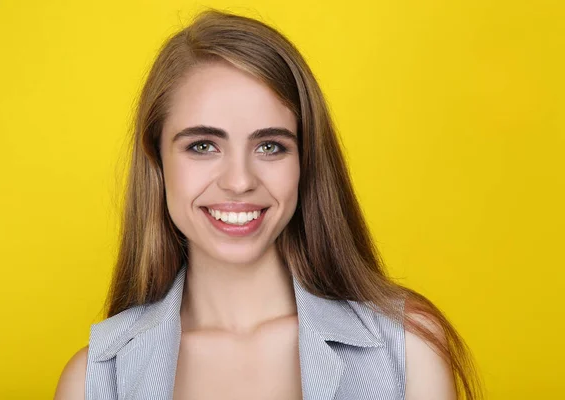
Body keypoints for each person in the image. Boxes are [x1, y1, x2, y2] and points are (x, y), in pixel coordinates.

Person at [54, 9, 483, 400]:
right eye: (203, 145)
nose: (239, 181)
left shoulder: (406, 349)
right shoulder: (96, 379)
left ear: (305, 160)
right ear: (158, 162)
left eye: (271, 146)